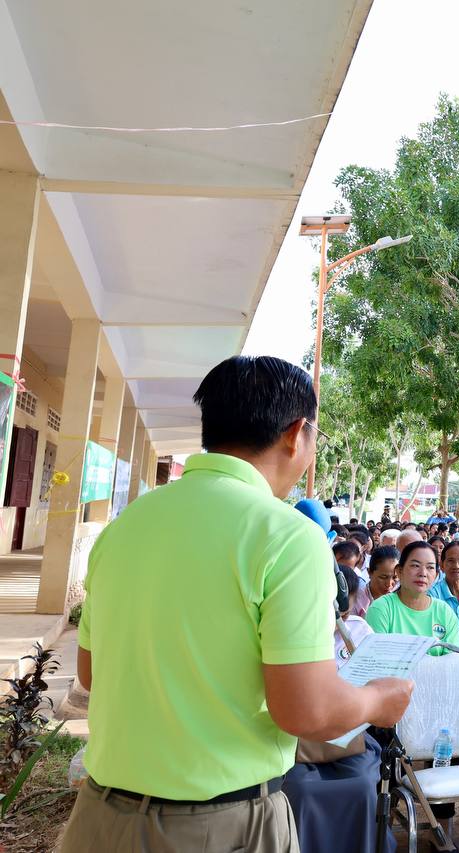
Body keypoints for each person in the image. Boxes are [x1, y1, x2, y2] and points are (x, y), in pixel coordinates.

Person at [62, 355, 412, 851]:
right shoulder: (288, 537)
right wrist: (378, 699)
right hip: (219, 827)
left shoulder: (124, 528)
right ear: (296, 433)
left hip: (99, 819)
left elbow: (92, 673)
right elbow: (307, 710)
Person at [366, 541, 459, 646]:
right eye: (415, 565)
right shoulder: (381, 608)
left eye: (430, 567)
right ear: (399, 571)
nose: (423, 573)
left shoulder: (444, 612)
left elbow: (454, 654)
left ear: (436, 575)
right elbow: (378, 654)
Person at [351, 545, 398, 618]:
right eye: (383, 577)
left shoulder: (400, 600)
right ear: (369, 572)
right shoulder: (355, 598)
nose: (389, 584)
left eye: (395, 578)